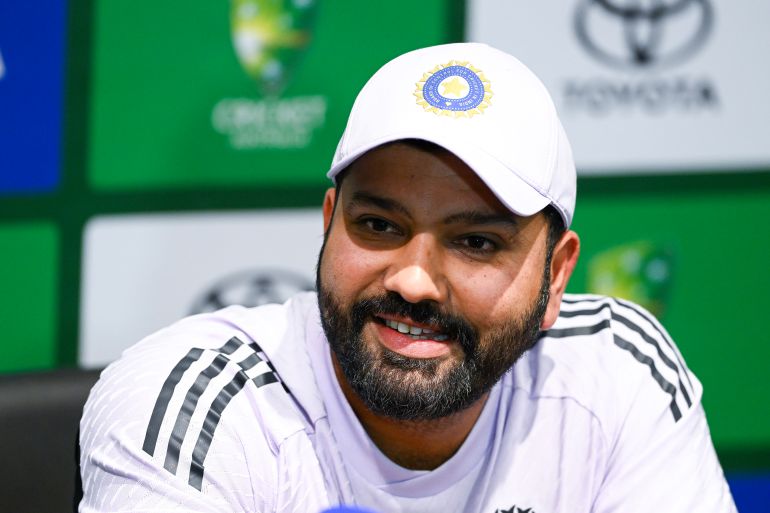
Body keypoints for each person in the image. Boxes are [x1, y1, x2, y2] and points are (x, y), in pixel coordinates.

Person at [78, 43, 736, 513]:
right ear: (329, 223)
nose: (415, 281)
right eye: (379, 225)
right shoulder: (197, 405)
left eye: (476, 242)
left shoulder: (615, 369)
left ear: (557, 273)